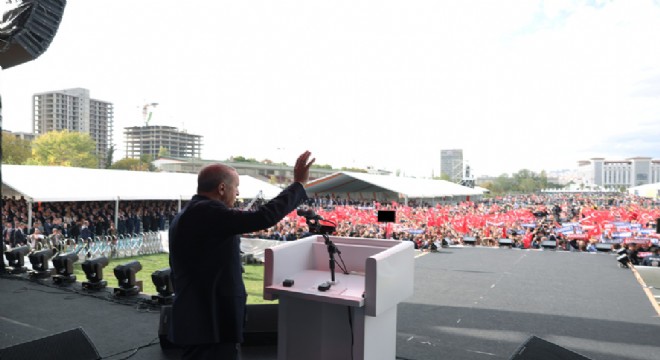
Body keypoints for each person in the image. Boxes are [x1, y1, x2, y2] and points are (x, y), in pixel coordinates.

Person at [168, 150, 315, 360]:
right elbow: (262, 218)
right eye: (236, 187)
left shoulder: (191, 211)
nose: (237, 193)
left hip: (200, 317)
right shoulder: (207, 212)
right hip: (209, 320)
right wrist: (298, 185)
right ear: (221, 188)